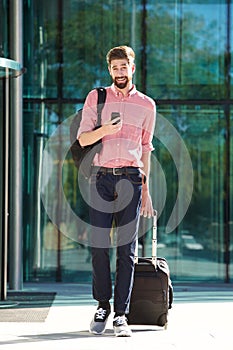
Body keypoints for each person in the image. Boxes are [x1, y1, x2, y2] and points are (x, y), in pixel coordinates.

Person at [77, 45, 156, 337]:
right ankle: (102, 305)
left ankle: (121, 314)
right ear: (109, 70)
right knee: (99, 247)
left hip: (132, 179)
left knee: (127, 250)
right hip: (101, 178)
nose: (120, 72)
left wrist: (146, 190)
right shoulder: (96, 98)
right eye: (115, 68)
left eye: (124, 67)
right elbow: (84, 139)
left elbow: (146, 148)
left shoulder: (147, 105)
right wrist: (105, 131)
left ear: (132, 68)